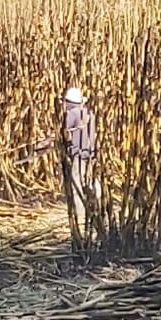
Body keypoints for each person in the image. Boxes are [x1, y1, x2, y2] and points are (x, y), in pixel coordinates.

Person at [62, 87, 99, 225]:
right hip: (90, 153)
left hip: (78, 154)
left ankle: (80, 213)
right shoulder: (89, 113)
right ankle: (99, 200)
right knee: (88, 180)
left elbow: (63, 132)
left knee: (76, 183)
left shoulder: (72, 113)